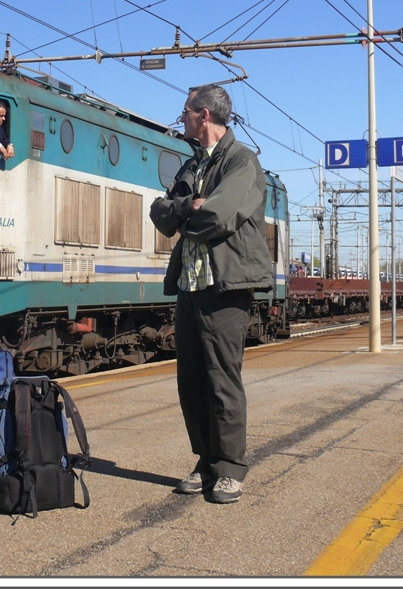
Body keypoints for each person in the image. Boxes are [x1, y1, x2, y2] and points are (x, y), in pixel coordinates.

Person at [149, 84, 273, 504]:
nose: (180, 117)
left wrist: (193, 213)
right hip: (190, 283)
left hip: (225, 286)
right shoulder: (191, 165)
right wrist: (188, 209)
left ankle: (231, 467)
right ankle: (205, 461)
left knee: (222, 378)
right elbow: (161, 214)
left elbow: (219, 216)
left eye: (185, 111)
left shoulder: (243, 162)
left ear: (204, 116)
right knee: (192, 380)